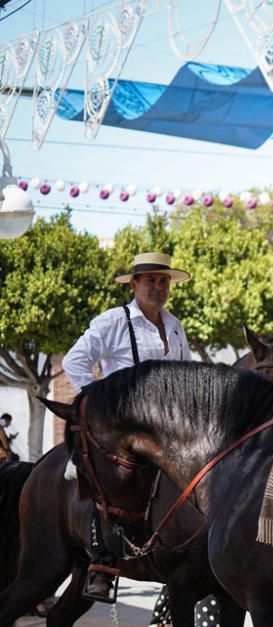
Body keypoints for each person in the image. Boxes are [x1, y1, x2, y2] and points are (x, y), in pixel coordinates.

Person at [62, 252, 192, 608]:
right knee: (112, 479)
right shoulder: (114, 321)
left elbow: (188, 374)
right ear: (133, 284)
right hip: (124, 426)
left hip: (171, 425)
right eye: (150, 280)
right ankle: (103, 561)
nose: (159, 286)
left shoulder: (176, 325)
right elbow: (74, 361)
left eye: (163, 280)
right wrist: (101, 402)